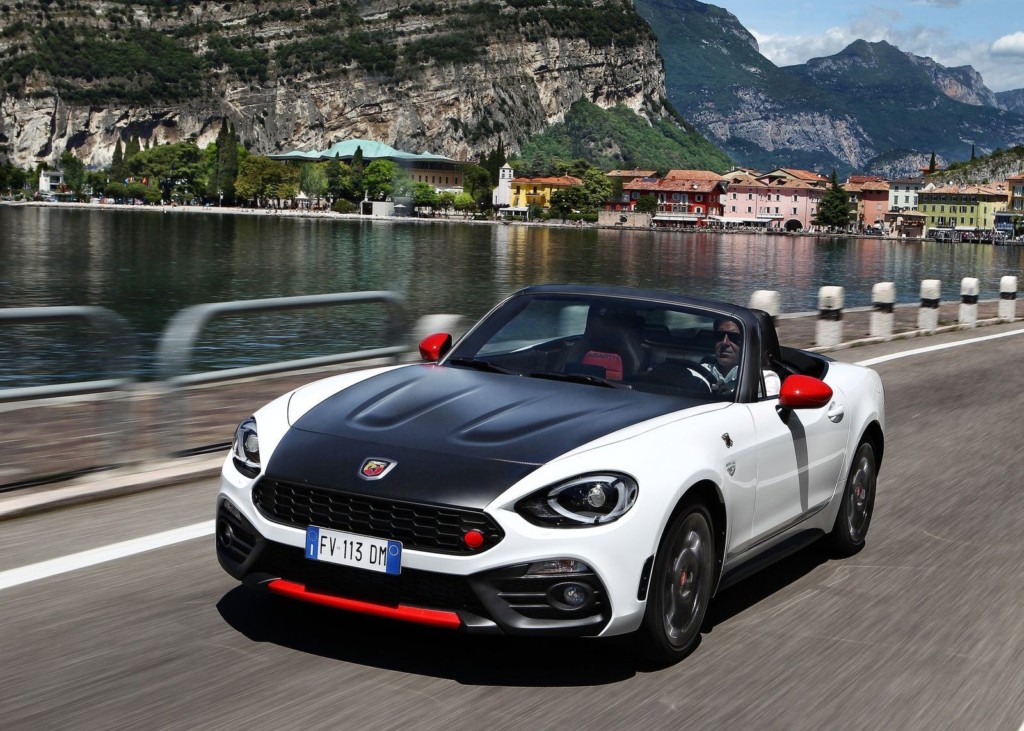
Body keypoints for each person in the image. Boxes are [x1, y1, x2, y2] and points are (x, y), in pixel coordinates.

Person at [705, 318, 742, 392]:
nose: (725, 343)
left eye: (733, 337)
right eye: (720, 335)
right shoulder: (702, 372)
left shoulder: (759, 379)